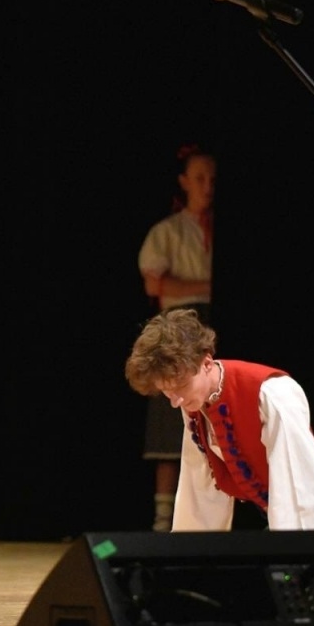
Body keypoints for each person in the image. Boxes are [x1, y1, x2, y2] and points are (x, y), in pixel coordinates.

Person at [123, 307, 314, 579]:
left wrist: (302, 570)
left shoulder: (271, 393)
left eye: (181, 387)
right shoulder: (195, 404)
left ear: (207, 363)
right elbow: (198, 490)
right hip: (310, 519)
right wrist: (187, 568)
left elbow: (302, 487)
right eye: (167, 391)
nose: (175, 401)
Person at [137, 143, 216, 531]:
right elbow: (156, 281)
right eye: (199, 177)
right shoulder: (168, 231)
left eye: (212, 178)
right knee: (171, 420)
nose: (207, 185)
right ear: (184, 182)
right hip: (180, 323)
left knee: (214, 410)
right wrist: (201, 284)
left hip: (212, 323)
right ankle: (162, 519)